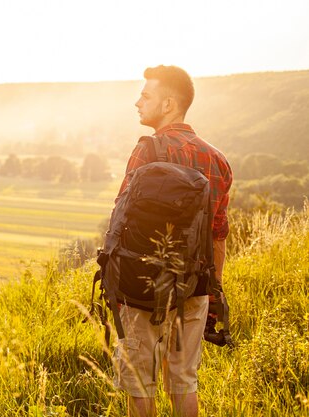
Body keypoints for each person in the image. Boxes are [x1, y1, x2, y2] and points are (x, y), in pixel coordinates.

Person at [112, 65, 232, 417]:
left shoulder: (147, 149)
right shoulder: (218, 160)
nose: (137, 102)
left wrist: (115, 284)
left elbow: (121, 218)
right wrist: (212, 290)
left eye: (145, 96)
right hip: (194, 287)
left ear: (167, 104)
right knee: (183, 381)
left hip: (141, 287)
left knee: (140, 384)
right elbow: (218, 235)